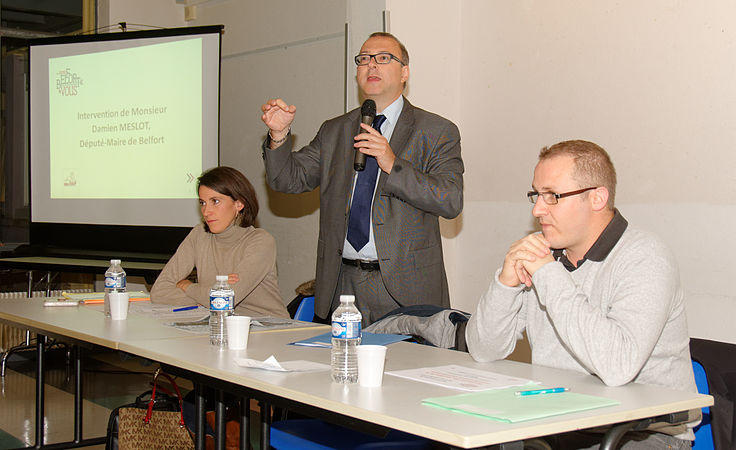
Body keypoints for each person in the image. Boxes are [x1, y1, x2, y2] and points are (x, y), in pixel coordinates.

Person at [466, 140, 698, 449]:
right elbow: (483, 350)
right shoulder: (543, 252)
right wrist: (505, 283)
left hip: (639, 432)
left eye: (553, 196)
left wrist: (549, 275)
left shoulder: (645, 258)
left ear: (597, 198)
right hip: (555, 423)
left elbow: (617, 366)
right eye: (536, 195)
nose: (537, 209)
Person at [260, 32, 464, 325]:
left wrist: (393, 164)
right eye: (364, 59)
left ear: (404, 72)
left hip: (405, 289)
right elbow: (288, 180)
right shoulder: (335, 130)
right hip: (342, 284)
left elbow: (450, 199)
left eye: (383, 58)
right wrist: (278, 137)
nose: (372, 65)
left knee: (402, 370)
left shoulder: (436, 131)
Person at [151, 166, 288, 318]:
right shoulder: (199, 234)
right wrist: (207, 297)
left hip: (268, 329)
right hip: (219, 325)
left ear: (239, 203)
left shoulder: (261, 241)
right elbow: (159, 291)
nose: (206, 212)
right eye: (202, 203)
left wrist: (188, 287)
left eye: (215, 201)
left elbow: (224, 300)